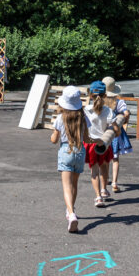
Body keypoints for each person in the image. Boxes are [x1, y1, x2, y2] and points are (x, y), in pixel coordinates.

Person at [50, 85, 89, 233]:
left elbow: (54, 139)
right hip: (79, 150)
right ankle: (70, 210)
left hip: (66, 150)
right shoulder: (83, 118)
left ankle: (71, 213)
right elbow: (86, 138)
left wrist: (53, 135)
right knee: (74, 184)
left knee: (66, 186)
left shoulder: (60, 118)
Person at [84, 80, 117, 208]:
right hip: (104, 142)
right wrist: (117, 131)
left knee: (94, 171)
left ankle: (98, 197)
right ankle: (104, 189)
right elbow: (114, 126)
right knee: (105, 166)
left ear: (90, 95)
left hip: (91, 144)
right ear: (104, 96)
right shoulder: (108, 110)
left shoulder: (86, 110)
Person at [102, 76, 132, 193]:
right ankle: (114, 182)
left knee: (105, 159)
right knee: (115, 158)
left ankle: (105, 180)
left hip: (103, 132)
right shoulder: (118, 102)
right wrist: (125, 120)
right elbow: (126, 113)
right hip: (115, 132)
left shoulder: (100, 102)